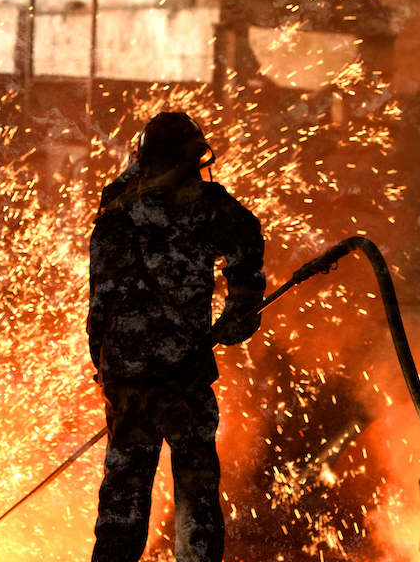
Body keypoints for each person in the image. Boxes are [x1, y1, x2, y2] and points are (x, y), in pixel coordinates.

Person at [87, 111, 265, 562]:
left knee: (123, 496)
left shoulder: (117, 207)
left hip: (128, 375)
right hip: (184, 369)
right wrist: (240, 310)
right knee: (196, 490)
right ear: (190, 156)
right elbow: (246, 241)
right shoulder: (206, 204)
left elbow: (100, 295)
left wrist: (104, 364)